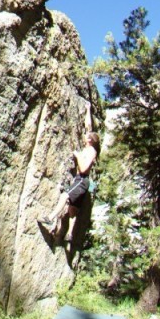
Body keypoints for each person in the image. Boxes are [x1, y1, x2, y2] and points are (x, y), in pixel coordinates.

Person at [38, 101, 100, 238]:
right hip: (83, 182)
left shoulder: (91, 152)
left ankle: (50, 217)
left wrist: (78, 156)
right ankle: (70, 234)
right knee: (73, 210)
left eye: (87, 136)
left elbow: (83, 169)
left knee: (65, 196)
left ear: (90, 140)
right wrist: (88, 109)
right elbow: (88, 126)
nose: (85, 135)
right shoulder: (89, 147)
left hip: (82, 179)